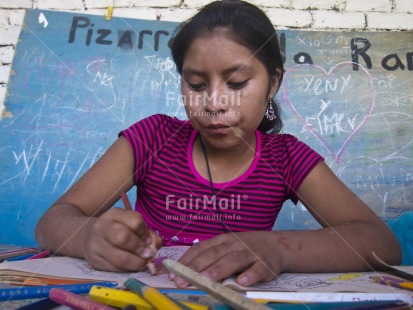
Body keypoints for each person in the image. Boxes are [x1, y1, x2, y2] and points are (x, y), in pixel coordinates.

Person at [35, 0, 401, 288]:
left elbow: (381, 243)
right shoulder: (151, 140)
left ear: (273, 83)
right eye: (195, 85)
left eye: (237, 83)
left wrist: (277, 248)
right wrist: (88, 239)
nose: (213, 102)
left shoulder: (287, 158)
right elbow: (54, 220)